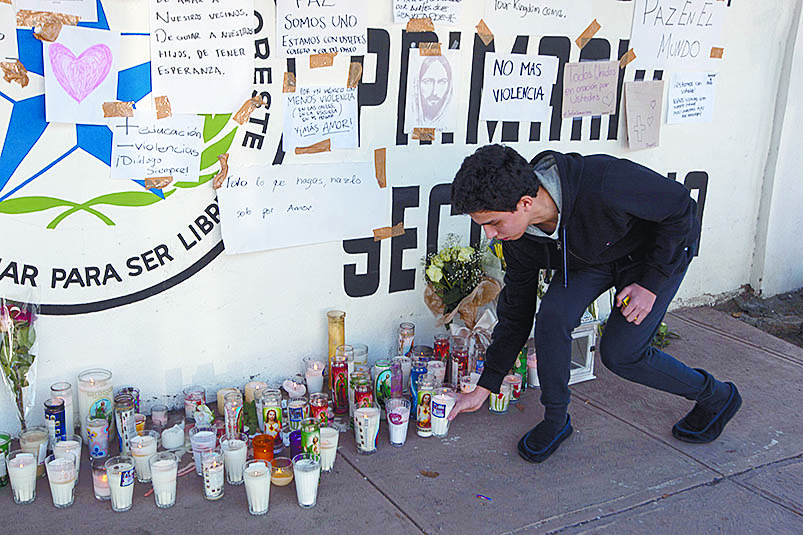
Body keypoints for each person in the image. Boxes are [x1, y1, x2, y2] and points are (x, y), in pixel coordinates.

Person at [447, 145, 742, 463]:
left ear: (525, 203)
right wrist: (485, 386)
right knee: (552, 318)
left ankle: (717, 396)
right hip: (593, 257)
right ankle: (556, 421)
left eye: (493, 222)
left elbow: (681, 208)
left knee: (622, 354)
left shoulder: (604, 182)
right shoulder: (518, 241)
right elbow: (516, 314)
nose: (490, 234)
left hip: (653, 256)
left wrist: (651, 283)